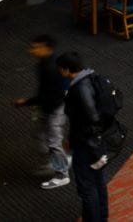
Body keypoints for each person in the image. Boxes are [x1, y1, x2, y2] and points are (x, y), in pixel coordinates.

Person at [57, 52, 111, 222]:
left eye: (60, 69)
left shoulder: (79, 89)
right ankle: (102, 216)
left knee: (87, 187)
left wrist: (73, 139)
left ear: (66, 70)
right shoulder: (92, 79)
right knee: (99, 181)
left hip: (86, 145)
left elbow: (90, 118)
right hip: (98, 143)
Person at [13, 34, 70, 189]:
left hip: (54, 109)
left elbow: (52, 95)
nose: (31, 50)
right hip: (47, 105)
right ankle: (55, 161)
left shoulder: (51, 68)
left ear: (46, 48)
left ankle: (62, 175)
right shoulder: (45, 63)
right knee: (38, 135)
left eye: (35, 47)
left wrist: (28, 102)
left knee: (53, 142)